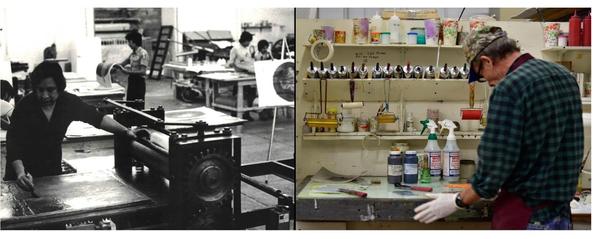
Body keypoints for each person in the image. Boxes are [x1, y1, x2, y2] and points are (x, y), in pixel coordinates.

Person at [413, 26, 583, 230]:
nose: (489, 83)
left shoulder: (510, 87)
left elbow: (494, 167)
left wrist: (457, 200)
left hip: (527, 216)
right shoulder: (565, 76)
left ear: (486, 61)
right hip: (561, 216)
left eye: (482, 75)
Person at [5, 61, 137, 191]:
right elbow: (13, 142)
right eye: (40, 90)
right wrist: (20, 173)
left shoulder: (68, 102)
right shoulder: (25, 106)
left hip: (51, 169)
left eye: (50, 90)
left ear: (60, 87)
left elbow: (96, 117)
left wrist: (124, 131)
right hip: (21, 171)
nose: (45, 95)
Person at [115, 30, 149, 108]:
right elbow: (124, 63)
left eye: (129, 42)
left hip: (139, 82)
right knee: (130, 104)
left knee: (138, 105)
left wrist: (126, 71)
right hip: (132, 80)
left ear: (133, 42)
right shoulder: (133, 53)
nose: (128, 44)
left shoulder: (143, 53)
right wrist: (113, 66)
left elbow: (143, 71)